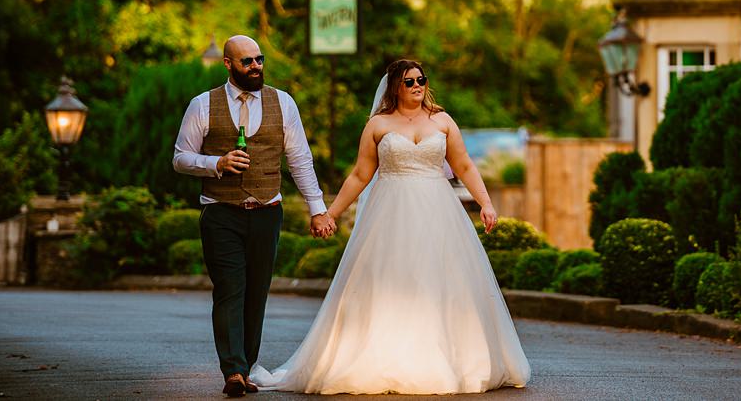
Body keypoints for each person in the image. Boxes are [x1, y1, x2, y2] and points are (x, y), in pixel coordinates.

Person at [251, 59, 531, 395]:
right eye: (409, 81)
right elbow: (360, 175)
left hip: (438, 212)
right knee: (390, 281)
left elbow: (464, 165)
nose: (417, 86)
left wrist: (485, 202)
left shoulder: (442, 121)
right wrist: (331, 213)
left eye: (421, 80)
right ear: (395, 87)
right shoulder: (378, 125)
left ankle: (450, 358)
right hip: (390, 212)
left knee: (440, 281)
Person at [173, 35, 336, 398]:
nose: (256, 66)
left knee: (257, 293)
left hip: (267, 211)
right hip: (221, 211)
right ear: (228, 64)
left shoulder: (283, 102)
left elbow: (300, 160)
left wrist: (317, 208)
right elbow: (180, 157)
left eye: (259, 59)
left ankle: (245, 366)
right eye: (247, 61)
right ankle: (232, 370)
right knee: (230, 290)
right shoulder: (203, 105)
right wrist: (216, 163)